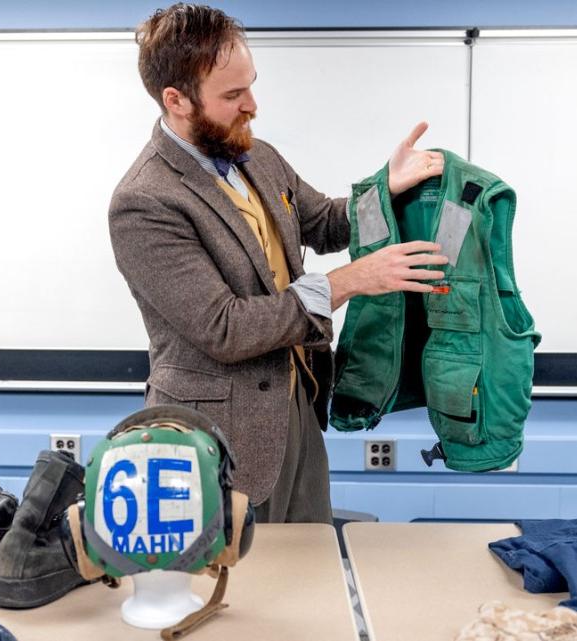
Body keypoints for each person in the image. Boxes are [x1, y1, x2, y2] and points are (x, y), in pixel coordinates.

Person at [109, 3, 448, 524]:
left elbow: (326, 222)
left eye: (250, 86)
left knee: (308, 573)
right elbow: (224, 327)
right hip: (214, 433)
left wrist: (387, 184)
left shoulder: (257, 156)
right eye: (232, 95)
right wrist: (348, 282)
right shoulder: (144, 201)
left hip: (297, 405)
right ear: (175, 100)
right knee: (241, 593)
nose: (252, 105)